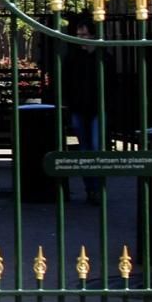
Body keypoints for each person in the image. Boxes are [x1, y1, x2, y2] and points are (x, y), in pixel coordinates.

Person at [61, 20, 103, 204]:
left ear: (92, 35)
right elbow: (66, 83)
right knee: (85, 149)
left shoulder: (101, 56)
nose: (81, 39)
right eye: (78, 35)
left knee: (95, 147)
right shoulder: (72, 57)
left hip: (96, 109)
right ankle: (91, 189)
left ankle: (97, 187)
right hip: (78, 108)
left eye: (84, 35)